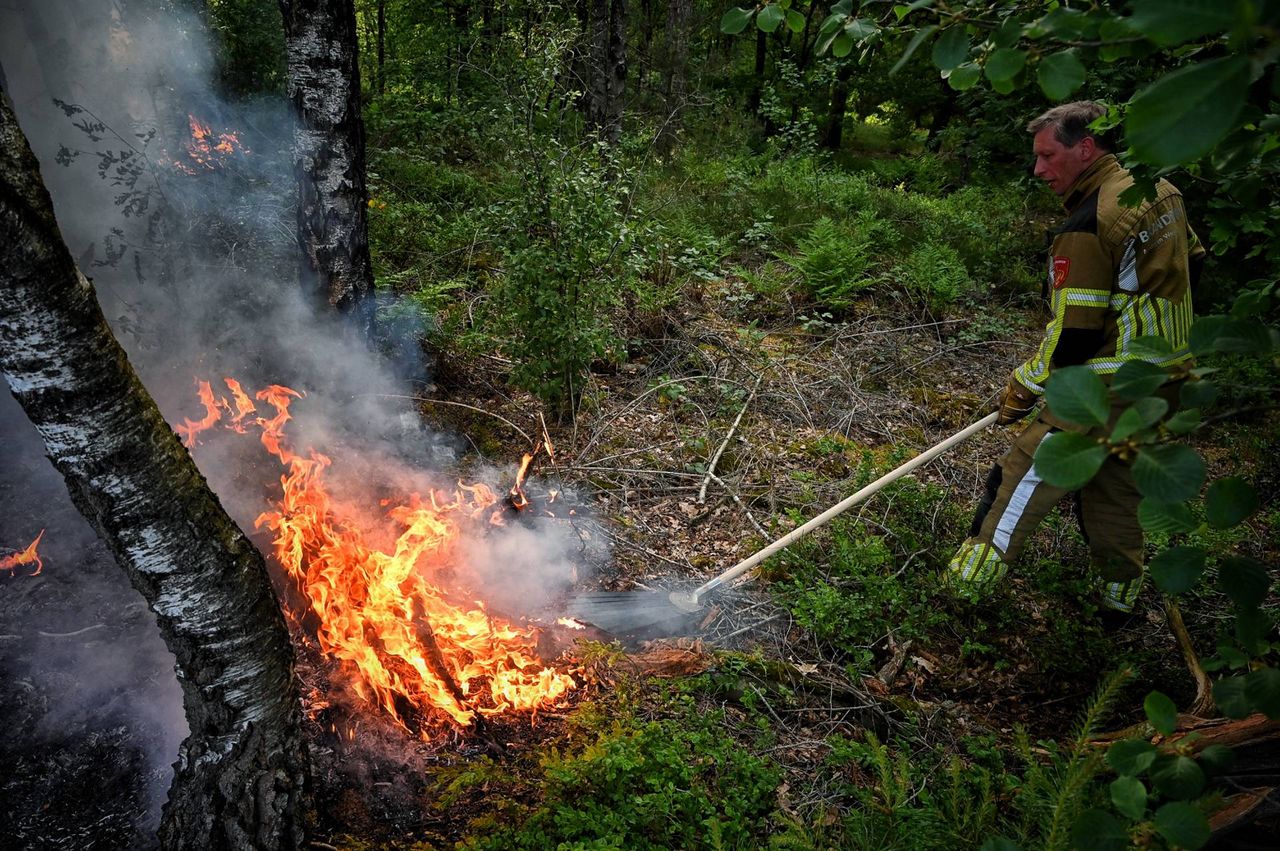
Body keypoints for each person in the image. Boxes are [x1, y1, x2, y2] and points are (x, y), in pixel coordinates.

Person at [945, 101, 1204, 617]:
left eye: (1047, 156)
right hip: (1165, 379)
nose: (1038, 169)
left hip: (1106, 383)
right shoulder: (1159, 191)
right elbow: (1194, 263)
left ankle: (960, 592)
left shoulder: (1088, 224)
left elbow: (1075, 336)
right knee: (1117, 487)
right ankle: (1118, 600)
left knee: (1022, 473)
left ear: (1085, 148)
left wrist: (1026, 385)